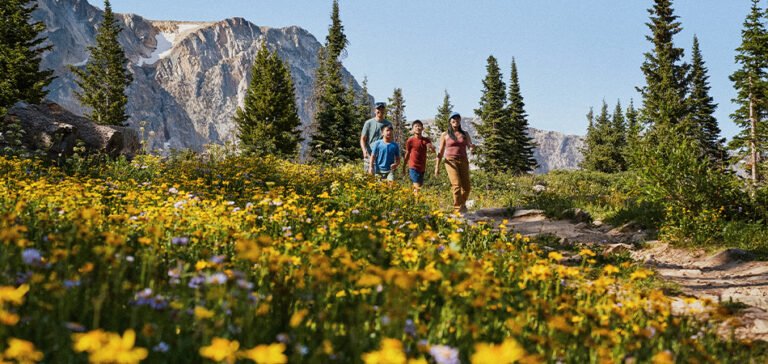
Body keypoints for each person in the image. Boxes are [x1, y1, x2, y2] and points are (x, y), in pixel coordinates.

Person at [435, 112, 475, 213]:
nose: (455, 120)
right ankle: (458, 209)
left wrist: (472, 148)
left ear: (460, 121)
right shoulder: (445, 134)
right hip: (450, 161)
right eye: (453, 119)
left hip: (463, 160)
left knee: (466, 187)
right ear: (450, 121)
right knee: (456, 185)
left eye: (457, 119)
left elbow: (469, 146)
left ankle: (462, 204)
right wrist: (437, 167)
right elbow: (441, 151)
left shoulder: (465, 134)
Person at [402, 119, 435, 195]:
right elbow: (407, 153)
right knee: (416, 187)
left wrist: (432, 147)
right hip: (413, 166)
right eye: (416, 126)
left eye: (419, 126)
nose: (418, 128)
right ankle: (417, 204)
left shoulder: (426, 140)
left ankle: (413, 202)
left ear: (422, 128)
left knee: (419, 187)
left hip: (422, 167)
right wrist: (404, 166)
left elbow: (433, 151)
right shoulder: (410, 140)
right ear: (413, 129)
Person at [360, 102, 393, 173]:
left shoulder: (388, 124)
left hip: (383, 155)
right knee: (368, 177)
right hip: (369, 154)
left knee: (381, 178)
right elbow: (363, 139)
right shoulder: (368, 123)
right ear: (375, 110)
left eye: (382, 109)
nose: (380, 111)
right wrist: (364, 150)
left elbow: (390, 139)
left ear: (384, 111)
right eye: (378, 109)